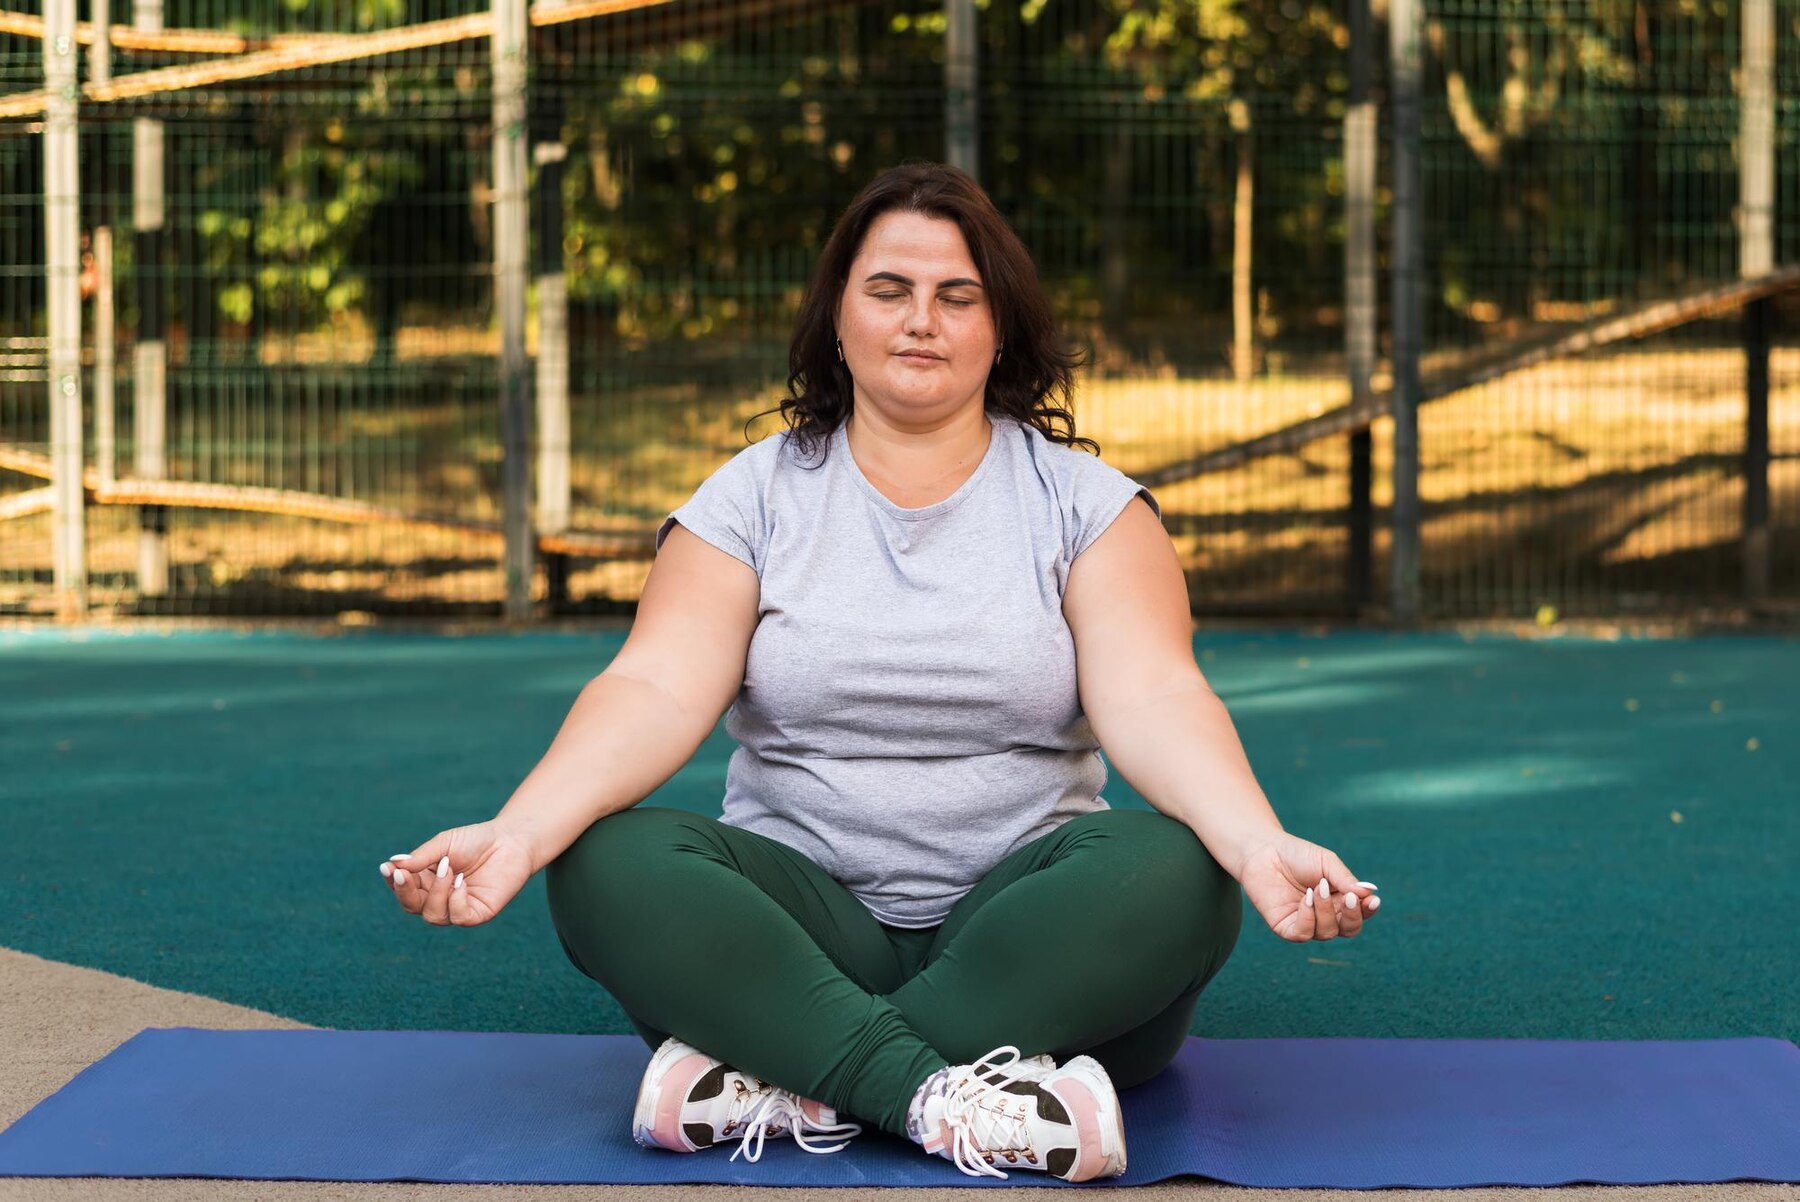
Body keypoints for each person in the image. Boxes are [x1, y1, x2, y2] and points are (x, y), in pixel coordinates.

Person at [380, 161, 1380, 1183]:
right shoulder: (751, 496)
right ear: (838, 316)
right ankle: (956, 1100)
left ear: (1002, 327)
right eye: (889, 290)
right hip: (798, 936)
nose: (922, 321)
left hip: (1032, 948)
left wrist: (1256, 843)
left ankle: (787, 1078)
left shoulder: (1090, 506)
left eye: (958, 295)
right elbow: (653, 685)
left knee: (1179, 869)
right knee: (599, 860)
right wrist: (519, 830)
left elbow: (1156, 695)